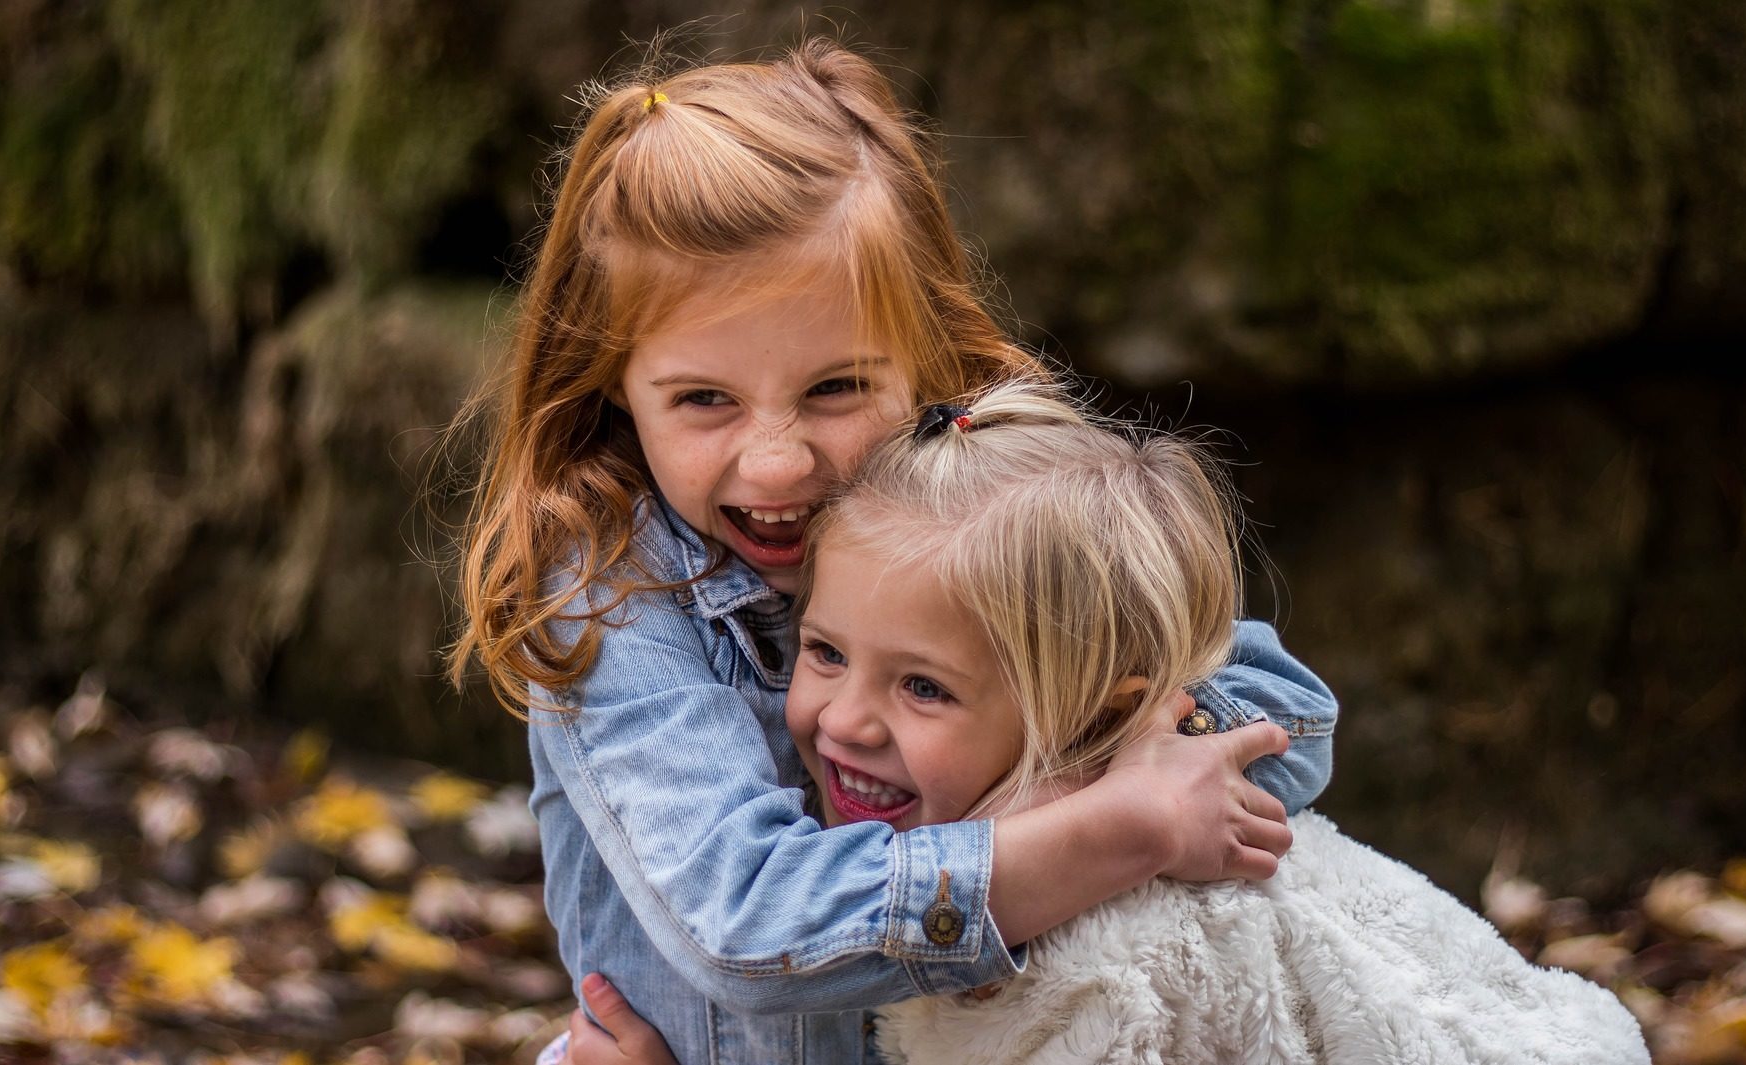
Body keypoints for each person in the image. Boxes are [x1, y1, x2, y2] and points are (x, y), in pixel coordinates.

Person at [450, 40, 1338, 1065]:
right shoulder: (613, 587)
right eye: (705, 400)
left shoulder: (980, 517)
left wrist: (1106, 750)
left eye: (836, 390)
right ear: (609, 382)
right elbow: (749, 924)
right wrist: (1106, 830)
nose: (778, 464)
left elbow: (1288, 718)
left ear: (927, 358)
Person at [568, 380, 1650, 1064]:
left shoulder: (1115, 964)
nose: (843, 721)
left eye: (925, 688)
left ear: (1104, 719)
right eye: (824, 651)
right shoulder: (1057, 844)